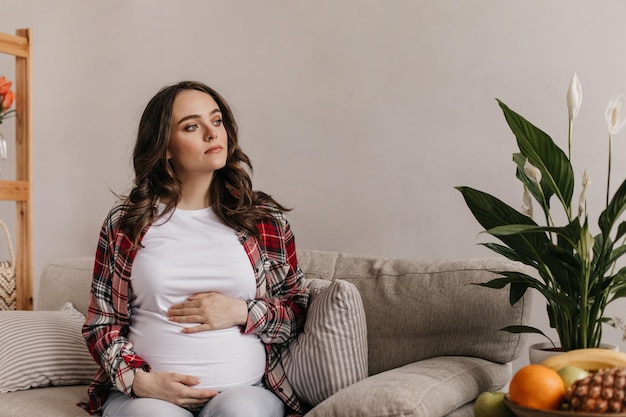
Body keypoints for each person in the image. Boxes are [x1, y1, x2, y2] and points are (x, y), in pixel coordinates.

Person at [80, 81, 310, 417]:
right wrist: (138, 381)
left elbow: (296, 311)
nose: (211, 133)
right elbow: (101, 324)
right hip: (147, 396)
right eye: (192, 126)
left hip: (243, 390)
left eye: (216, 121)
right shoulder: (126, 222)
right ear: (166, 147)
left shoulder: (262, 220)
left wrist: (242, 312)